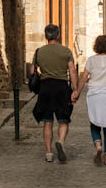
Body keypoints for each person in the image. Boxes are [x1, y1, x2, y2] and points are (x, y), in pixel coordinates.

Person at [74, 35, 106, 166]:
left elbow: (84, 78)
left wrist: (77, 93)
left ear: (96, 46)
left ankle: (97, 145)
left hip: (94, 95)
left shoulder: (91, 60)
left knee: (94, 122)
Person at [30, 24, 78, 163]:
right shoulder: (66, 51)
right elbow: (72, 71)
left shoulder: (39, 52)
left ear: (46, 36)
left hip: (45, 88)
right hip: (61, 88)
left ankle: (49, 153)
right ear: (58, 35)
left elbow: (32, 71)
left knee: (47, 121)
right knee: (63, 120)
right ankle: (61, 142)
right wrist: (75, 90)